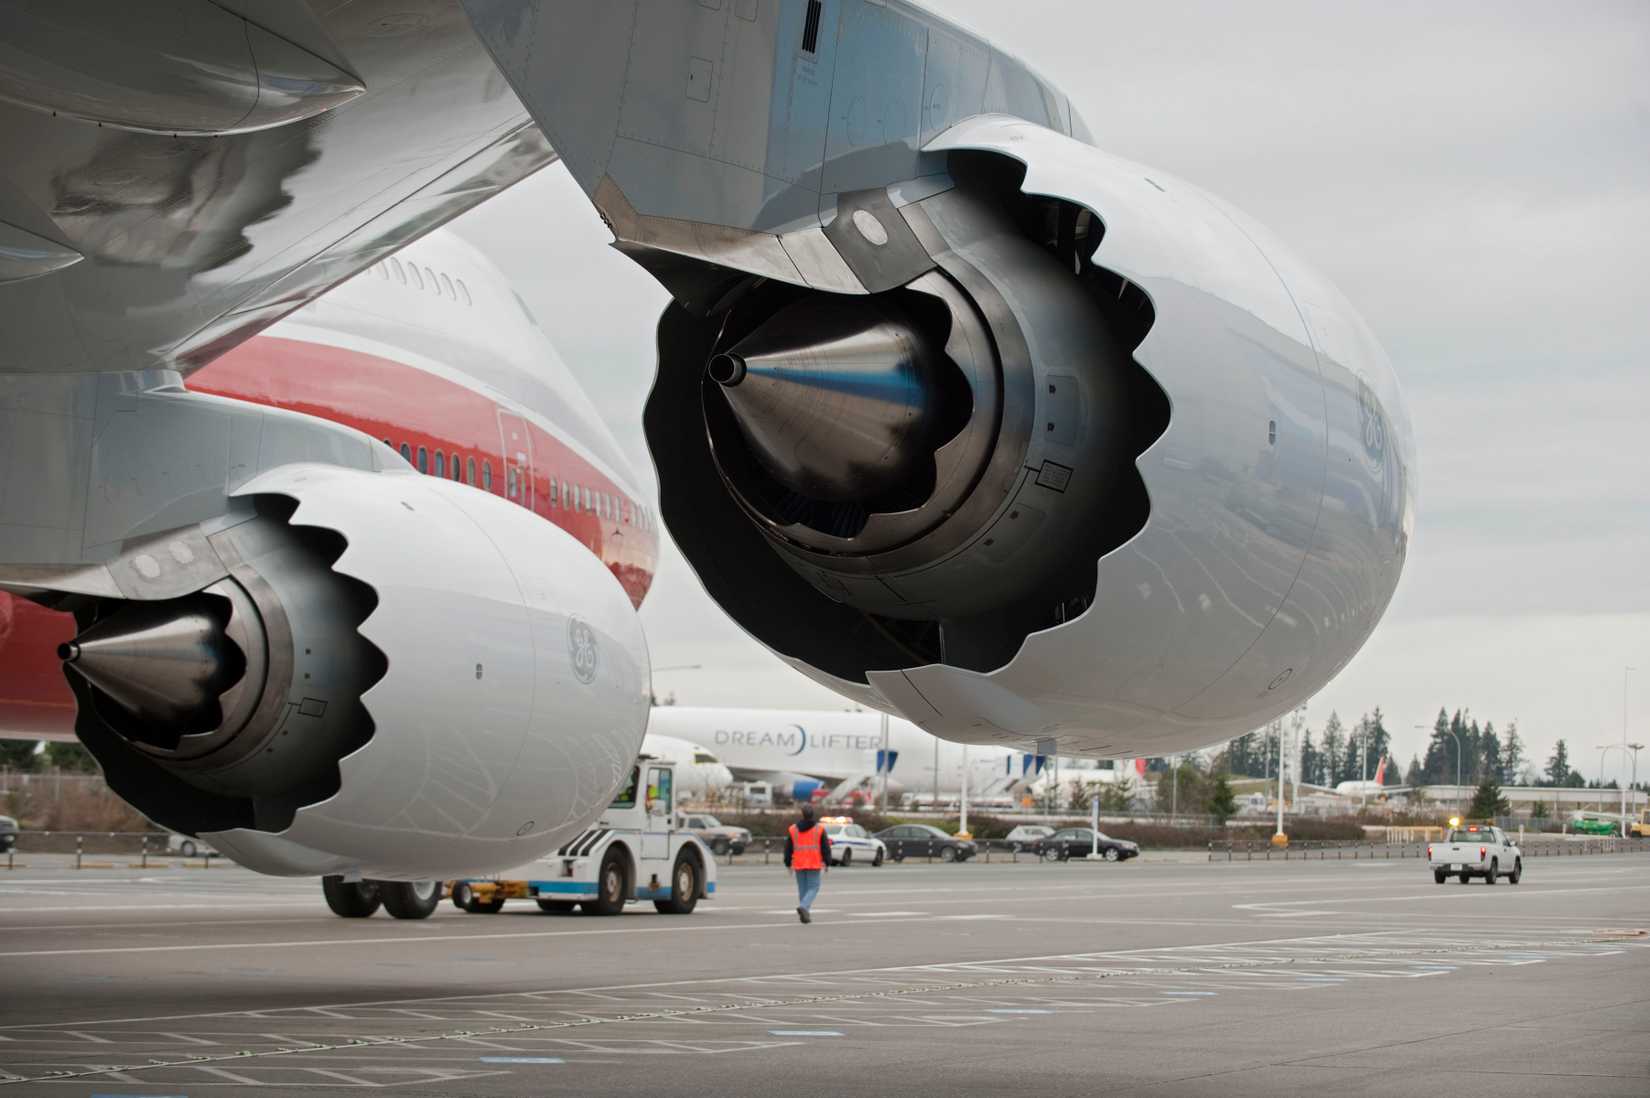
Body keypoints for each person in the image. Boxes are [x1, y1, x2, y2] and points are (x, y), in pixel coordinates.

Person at [784, 803, 831, 923]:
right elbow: (825, 847)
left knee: (803, 889)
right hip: (814, 863)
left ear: (802, 814)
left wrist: (788, 863)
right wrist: (827, 862)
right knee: (814, 887)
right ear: (812, 814)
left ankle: (805, 914)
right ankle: (804, 907)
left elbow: (788, 848)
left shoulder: (793, 829)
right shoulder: (819, 829)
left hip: (799, 863)